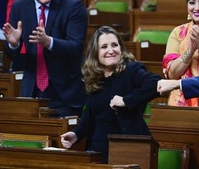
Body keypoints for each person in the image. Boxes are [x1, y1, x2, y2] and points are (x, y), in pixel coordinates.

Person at [61, 26, 161, 163]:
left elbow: (155, 83)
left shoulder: (131, 70)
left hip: (127, 151)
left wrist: (126, 100)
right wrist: (75, 134)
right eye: (104, 47)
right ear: (95, 53)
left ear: (121, 49)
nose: (111, 50)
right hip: (96, 152)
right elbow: (89, 119)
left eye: (114, 45)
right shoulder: (95, 79)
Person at [3, 0, 87, 117]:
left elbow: (76, 48)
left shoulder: (73, 6)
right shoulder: (19, 7)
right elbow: (10, 54)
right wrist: (13, 44)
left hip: (65, 93)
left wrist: (48, 42)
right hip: (31, 91)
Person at [5, 0, 70, 71]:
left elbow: (67, 36)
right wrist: (28, 1)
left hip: (55, 57)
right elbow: (12, 30)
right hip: (25, 56)